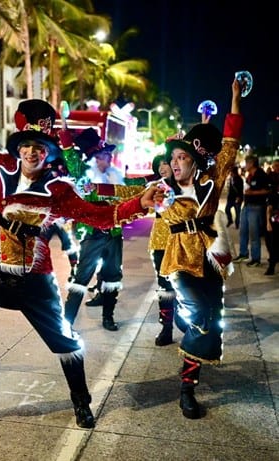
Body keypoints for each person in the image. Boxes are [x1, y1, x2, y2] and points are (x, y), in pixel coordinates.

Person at [0, 66, 159, 428]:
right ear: (18, 146)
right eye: (26, 144)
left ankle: (81, 401)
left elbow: (99, 216)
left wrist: (140, 204)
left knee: (66, 341)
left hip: (35, 282)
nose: (31, 152)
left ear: (47, 151)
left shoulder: (58, 190)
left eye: (39, 147)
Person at [157, 78, 243, 419]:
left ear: (195, 161)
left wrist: (235, 98)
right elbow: (125, 192)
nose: (175, 163)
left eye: (182, 158)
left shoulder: (211, 182)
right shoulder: (162, 188)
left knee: (213, 322)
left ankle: (189, 378)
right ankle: (185, 392)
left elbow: (231, 144)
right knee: (202, 318)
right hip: (179, 261)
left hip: (208, 259)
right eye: (173, 158)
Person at [63, 128, 127, 331]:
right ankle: (67, 321)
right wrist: (65, 136)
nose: (105, 159)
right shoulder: (84, 174)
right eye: (100, 156)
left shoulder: (115, 176)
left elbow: (132, 190)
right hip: (93, 234)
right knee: (81, 278)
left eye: (107, 155)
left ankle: (108, 317)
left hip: (114, 235)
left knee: (112, 277)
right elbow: (70, 157)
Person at [147, 155, 177, 346]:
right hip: (159, 241)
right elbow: (129, 191)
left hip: (181, 241)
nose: (162, 168)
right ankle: (166, 328)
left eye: (165, 163)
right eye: (159, 165)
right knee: (164, 287)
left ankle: (190, 325)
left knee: (184, 285)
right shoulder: (155, 186)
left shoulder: (185, 184)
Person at [233, 154, 272, 267]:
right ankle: (243, 253)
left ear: (251, 163)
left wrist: (253, 192)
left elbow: (268, 190)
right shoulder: (250, 174)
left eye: (246, 163)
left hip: (256, 207)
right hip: (246, 206)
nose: (244, 165)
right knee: (243, 232)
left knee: (254, 235)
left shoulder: (261, 175)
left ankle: (256, 259)